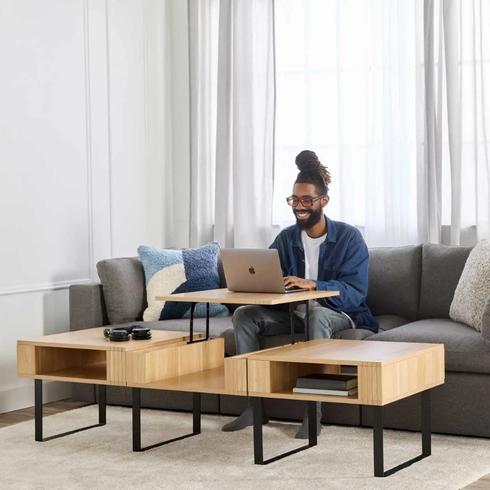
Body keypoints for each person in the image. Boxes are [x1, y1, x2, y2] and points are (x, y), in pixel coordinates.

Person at [222, 150, 378, 438]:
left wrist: (314, 285)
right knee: (245, 316)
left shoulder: (349, 237)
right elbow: (266, 274)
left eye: (307, 200)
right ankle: (253, 405)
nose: (299, 206)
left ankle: (313, 411)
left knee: (316, 314)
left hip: (340, 314)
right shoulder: (286, 238)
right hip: (293, 314)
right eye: (295, 200)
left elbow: (356, 292)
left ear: (323, 201)